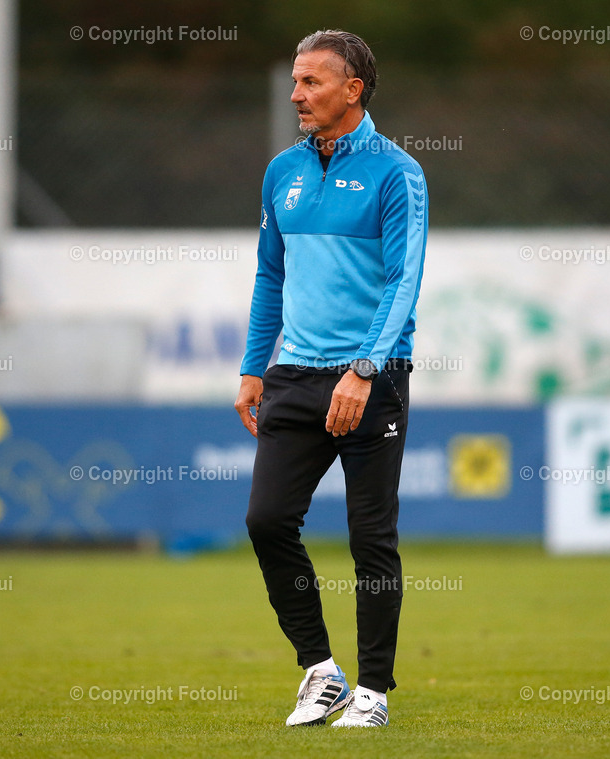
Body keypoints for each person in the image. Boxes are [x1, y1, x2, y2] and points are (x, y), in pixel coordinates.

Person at [234, 29, 428, 728]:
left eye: (311, 82)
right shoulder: (281, 170)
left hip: (370, 378)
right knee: (265, 520)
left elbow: (405, 281)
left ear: (354, 90)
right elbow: (270, 273)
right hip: (292, 375)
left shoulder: (396, 172)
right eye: (295, 81)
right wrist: (255, 366)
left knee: (370, 536)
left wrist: (365, 368)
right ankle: (321, 670)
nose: (296, 94)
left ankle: (373, 691)